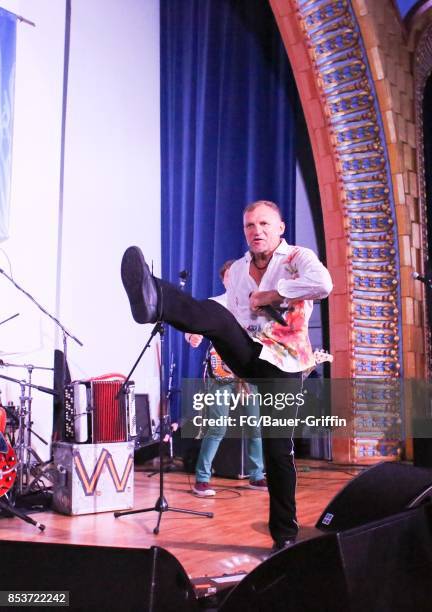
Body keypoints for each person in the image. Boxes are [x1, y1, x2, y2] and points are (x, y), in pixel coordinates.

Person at [121, 200, 332, 551]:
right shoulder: (237, 270)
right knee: (215, 316)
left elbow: (323, 284)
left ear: (280, 227)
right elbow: (231, 310)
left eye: (264, 224)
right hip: (249, 353)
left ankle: (284, 535)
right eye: (250, 225)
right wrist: (200, 326)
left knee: (277, 451)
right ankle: (154, 296)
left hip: (284, 365)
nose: (257, 231)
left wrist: (274, 293)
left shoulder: (298, 258)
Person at [185, 260, 266, 497]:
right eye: (230, 275)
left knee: (255, 424)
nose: (235, 278)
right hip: (221, 370)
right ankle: (202, 478)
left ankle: (257, 474)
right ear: (223, 279)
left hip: (248, 369)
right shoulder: (215, 304)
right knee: (217, 425)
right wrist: (192, 336)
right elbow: (193, 326)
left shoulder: (253, 303)